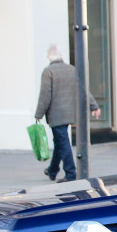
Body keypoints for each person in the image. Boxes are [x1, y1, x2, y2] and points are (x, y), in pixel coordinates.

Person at [34, 45, 99, 182]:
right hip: (70, 113)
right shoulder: (72, 69)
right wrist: (94, 106)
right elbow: (83, 89)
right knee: (59, 141)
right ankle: (52, 170)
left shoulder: (48, 71)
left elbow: (45, 95)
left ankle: (70, 173)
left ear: (49, 57)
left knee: (63, 143)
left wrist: (38, 114)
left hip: (56, 115)